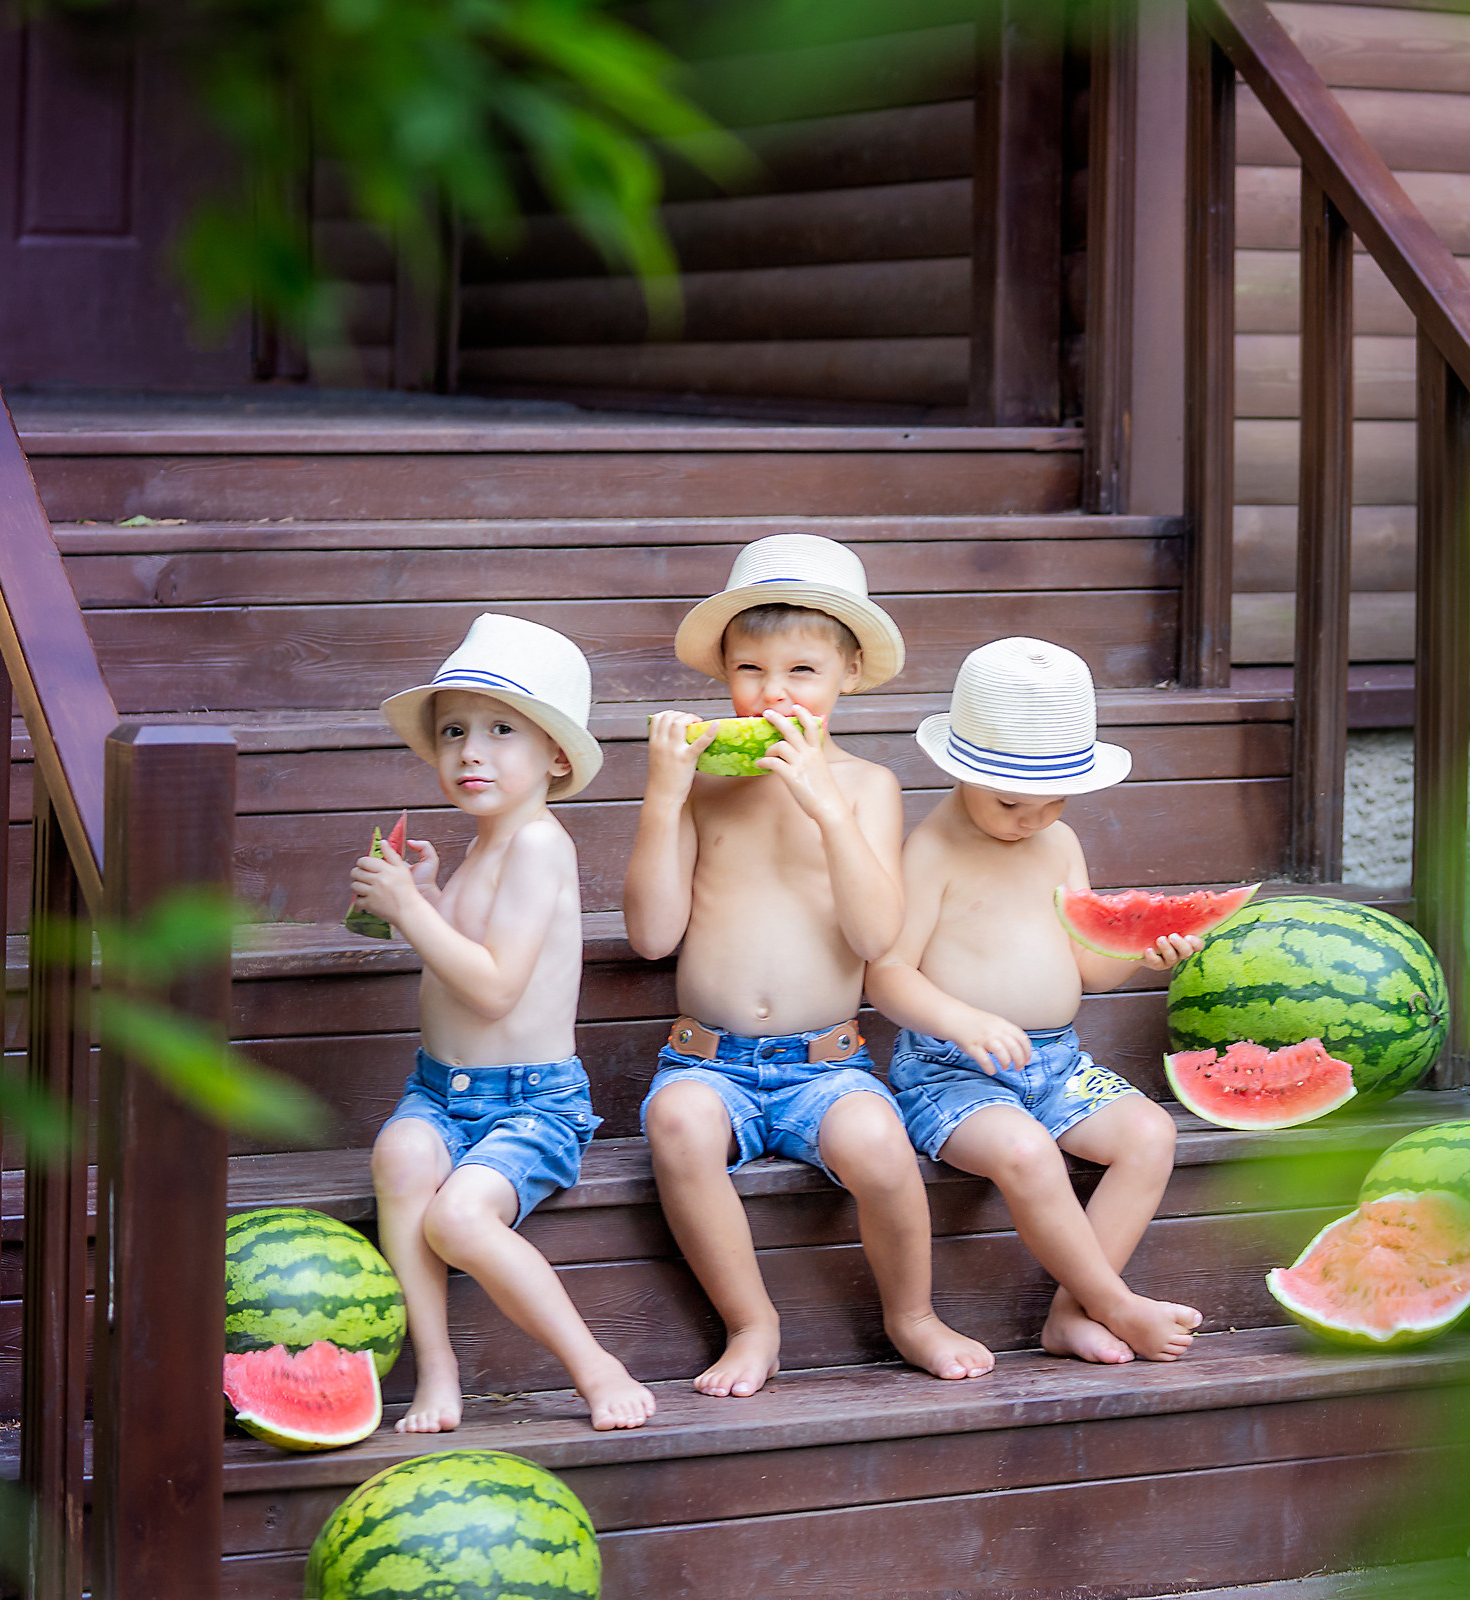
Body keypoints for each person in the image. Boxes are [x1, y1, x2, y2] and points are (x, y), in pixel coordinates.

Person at [626, 533, 994, 1398]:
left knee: (880, 1145)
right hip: (706, 1060)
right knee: (677, 1127)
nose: (770, 694)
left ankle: (912, 1315)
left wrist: (827, 812)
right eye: (749, 670)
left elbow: (874, 939)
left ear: (849, 677)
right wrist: (662, 795)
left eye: (801, 672)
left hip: (828, 1065)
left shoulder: (865, 787)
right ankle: (752, 1323)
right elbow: (650, 934)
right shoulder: (701, 784)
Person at [354, 613, 655, 1432]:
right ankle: (437, 1372)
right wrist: (429, 890)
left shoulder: (538, 847)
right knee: (400, 1153)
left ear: (556, 756)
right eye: (452, 732)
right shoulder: (487, 842)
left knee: (457, 1218)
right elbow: (460, 944)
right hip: (438, 1091)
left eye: (499, 732)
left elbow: (493, 989)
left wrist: (412, 912)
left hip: (530, 1102)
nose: (468, 752)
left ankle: (596, 1365)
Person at [865, 637, 1202, 1365]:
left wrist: (1141, 956)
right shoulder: (931, 852)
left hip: (1057, 1065)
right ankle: (1117, 1304)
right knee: (1027, 1153)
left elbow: (1086, 968)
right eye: (1013, 801)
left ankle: (1071, 1312)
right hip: (950, 1074)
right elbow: (885, 974)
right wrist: (962, 1018)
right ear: (958, 772)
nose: (1033, 818)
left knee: (1151, 1136)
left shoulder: (1060, 842)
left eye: (1055, 801)